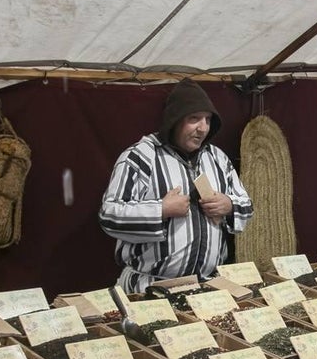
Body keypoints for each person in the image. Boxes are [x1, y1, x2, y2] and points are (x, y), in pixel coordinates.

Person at [99, 79, 253, 293]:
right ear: (175, 119)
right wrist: (161, 210)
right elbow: (109, 216)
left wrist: (228, 205)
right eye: (194, 119)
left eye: (208, 120)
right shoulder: (140, 157)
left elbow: (247, 205)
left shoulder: (218, 158)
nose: (203, 128)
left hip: (207, 286)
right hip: (150, 286)